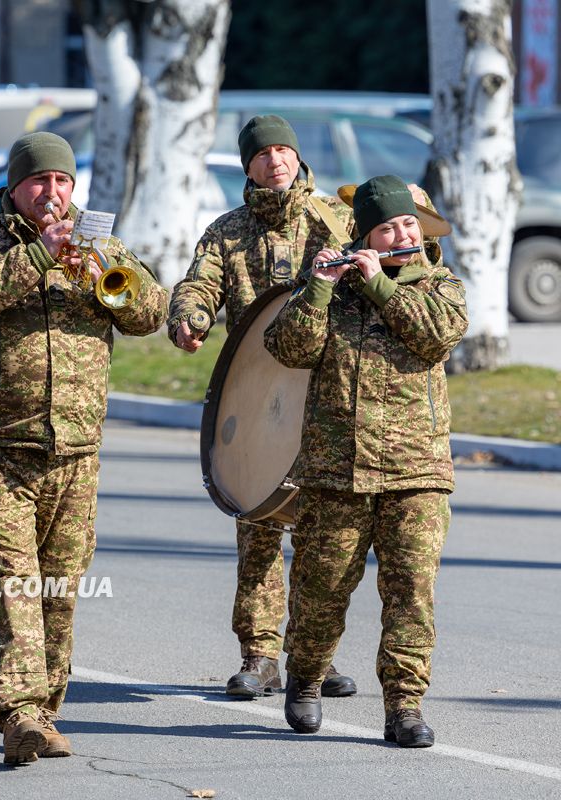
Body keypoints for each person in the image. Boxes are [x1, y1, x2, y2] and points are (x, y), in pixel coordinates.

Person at [0, 131, 167, 764]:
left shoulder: (98, 244)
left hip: (76, 447)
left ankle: (45, 707)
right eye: (41, 181)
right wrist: (38, 256)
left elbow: (150, 313)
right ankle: (20, 713)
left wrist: (104, 278)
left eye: (63, 181)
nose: (54, 192)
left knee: (60, 591)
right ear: (15, 187)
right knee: (9, 585)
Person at [265, 175, 467, 747]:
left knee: (411, 593)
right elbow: (288, 349)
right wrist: (321, 288)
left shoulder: (439, 285)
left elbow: (437, 335)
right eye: (386, 227)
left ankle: (404, 706)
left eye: (406, 223)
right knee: (321, 588)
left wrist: (381, 286)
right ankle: (305, 677)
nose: (400, 232)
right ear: (366, 236)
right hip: (337, 470)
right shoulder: (334, 288)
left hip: (416, 470)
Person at [168, 115, 358, 700]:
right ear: (247, 166)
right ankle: (259, 656)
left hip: (326, 395)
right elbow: (198, 285)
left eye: (284, 150)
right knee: (258, 529)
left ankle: (312, 657)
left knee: (324, 541)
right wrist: (190, 317)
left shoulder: (335, 220)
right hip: (256, 399)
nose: (276, 160)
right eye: (262, 153)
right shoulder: (228, 231)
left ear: (298, 159)